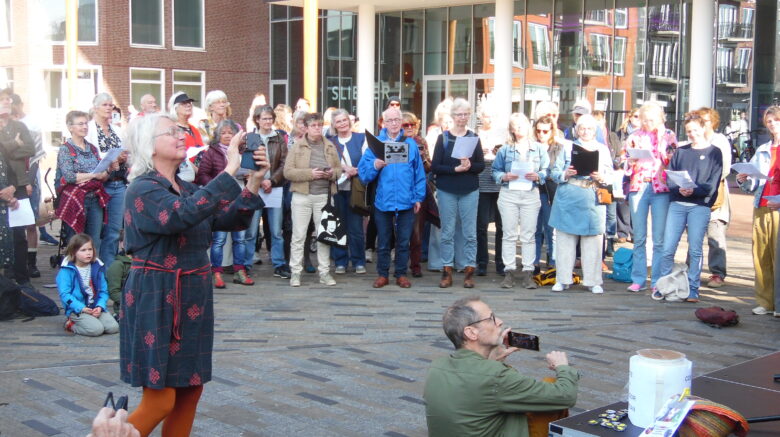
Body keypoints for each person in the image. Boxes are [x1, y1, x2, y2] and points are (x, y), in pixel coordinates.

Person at [120, 112, 267, 436]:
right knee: (159, 401)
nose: (180, 134)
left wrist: (253, 179)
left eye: (180, 129)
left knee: (190, 390)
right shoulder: (142, 189)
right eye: (170, 132)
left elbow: (226, 219)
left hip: (191, 295)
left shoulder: (186, 188)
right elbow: (180, 217)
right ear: (149, 145)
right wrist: (230, 168)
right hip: (157, 294)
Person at [424, 296, 579, 437]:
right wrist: (562, 367)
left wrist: (492, 358)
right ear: (471, 333)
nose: (499, 321)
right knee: (550, 392)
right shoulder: (496, 376)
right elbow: (566, 395)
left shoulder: (437, 367)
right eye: (491, 318)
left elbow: (478, 393)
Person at [656, 112, 723, 303]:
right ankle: (664, 285)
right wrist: (679, 189)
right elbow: (670, 177)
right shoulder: (681, 151)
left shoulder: (714, 152)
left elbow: (713, 183)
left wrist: (693, 191)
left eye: (695, 130)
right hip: (677, 203)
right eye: (688, 131)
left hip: (699, 206)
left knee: (695, 249)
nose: (692, 134)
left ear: (703, 128)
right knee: (668, 247)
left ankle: (693, 288)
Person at [358, 106, 426, 288]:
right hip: (383, 200)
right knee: (384, 241)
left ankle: (401, 274)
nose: (394, 123)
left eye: (397, 120)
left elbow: (419, 173)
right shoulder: (375, 144)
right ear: (383, 123)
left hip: (406, 200)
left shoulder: (410, 143)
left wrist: (418, 197)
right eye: (390, 120)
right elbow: (363, 174)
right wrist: (375, 165)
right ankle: (382, 274)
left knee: (404, 240)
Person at [549, 114, 613, 294]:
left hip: (592, 195)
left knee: (593, 240)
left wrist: (602, 177)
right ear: (576, 129)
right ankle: (562, 279)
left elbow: (610, 174)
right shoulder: (566, 146)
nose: (585, 131)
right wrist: (565, 173)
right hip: (569, 194)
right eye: (582, 128)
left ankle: (593, 281)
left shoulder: (603, 149)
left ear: (595, 131)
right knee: (565, 240)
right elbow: (554, 172)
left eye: (590, 128)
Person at [283, 112, 342, 287]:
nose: (317, 128)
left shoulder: (330, 146)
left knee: (324, 236)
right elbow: (288, 172)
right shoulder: (297, 146)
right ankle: (295, 272)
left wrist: (332, 173)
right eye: (313, 125)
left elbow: (339, 170)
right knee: (298, 235)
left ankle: (324, 272)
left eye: (319, 125)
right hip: (302, 196)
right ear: (306, 128)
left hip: (324, 195)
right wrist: (310, 174)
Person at [431, 98, 485, 288]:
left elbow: (481, 165)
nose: (462, 118)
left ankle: (469, 270)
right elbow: (435, 166)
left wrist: (469, 166)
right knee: (447, 231)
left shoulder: (473, 137)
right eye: (459, 114)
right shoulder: (443, 138)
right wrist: (455, 169)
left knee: (470, 232)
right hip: (447, 190)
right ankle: (447, 269)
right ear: (452, 116)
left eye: (465, 114)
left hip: (469, 189)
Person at [623, 102, 676, 292]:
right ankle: (638, 278)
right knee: (639, 236)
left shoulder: (668, 135)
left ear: (660, 119)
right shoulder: (634, 136)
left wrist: (662, 142)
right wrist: (630, 161)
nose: (647, 123)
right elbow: (624, 160)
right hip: (639, 185)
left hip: (660, 186)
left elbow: (672, 160)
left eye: (651, 119)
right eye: (644, 120)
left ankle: (657, 280)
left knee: (659, 237)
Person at [493, 113, 549, 289]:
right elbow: (495, 171)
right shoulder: (505, 149)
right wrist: (504, 176)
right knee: (509, 234)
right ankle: (509, 271)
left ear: (528, 126)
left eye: (521, 125)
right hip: (509, 193)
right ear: (511, 130)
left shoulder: (539, 148)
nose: (519, 130)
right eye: (515, 127)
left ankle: (527, 272)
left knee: (529, 234)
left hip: (530, 193)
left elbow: (547, 170)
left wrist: (538, 176)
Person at [195, 119, 253, 287]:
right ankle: (217, 272)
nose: (227, 136)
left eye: (230, 133)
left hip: (240, 195)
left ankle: (240, 270)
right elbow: (203, 175)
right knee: (219, 239)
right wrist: (217, 183)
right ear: (217, 136)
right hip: (220, 199)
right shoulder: (212, 152)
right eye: (224, 133)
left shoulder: (244, 151)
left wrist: (249, 174)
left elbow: (252, 170)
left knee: (240, 238)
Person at [737, 105, 780, 316]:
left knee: (778, 257)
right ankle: (765, 301)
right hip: (762, 205)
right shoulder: (763, 150)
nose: (773, 124)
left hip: (779, 208)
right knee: (761, 254)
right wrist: (744, 179)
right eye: (770, 121)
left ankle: (779, 304)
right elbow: (753, 182)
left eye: (776, 120)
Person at [244, 105, 289, 279]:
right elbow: (247, 162)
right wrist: (259, 180)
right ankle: (246, 263)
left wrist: (272, 180)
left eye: (270, 118)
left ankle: (279, 263)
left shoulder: (278, 138)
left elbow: (284, 163)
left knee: (276, 230)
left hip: (274, 187)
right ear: (257, 120)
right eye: (264, 118)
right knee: (252, 229)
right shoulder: (251, 137)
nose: (268, 122)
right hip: (256, 188)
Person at [56, 110, 110, 248]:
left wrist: (106, 172)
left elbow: (102, 173)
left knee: (94, 241)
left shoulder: (92, 148)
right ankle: (74, 270)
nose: (85, 127)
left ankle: (92, 270)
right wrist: (94, 175)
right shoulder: (65, 149)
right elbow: (70, 176)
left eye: (86, 123)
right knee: (76, 241)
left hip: (95, 199)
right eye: (80, 124)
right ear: (70, 127)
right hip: (75, 200)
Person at [87, 92, 128, 268]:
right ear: (95, 107)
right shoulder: (88, 129)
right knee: (95, 232)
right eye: (105, 105)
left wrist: (124, 156)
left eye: (111, 105)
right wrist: (113, 159)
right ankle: (92, 270)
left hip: (119, 183)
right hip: (99, 185)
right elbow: (91, 156)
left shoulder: (117, 130)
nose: (109, 108)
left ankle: (108, 270)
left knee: (114, 231)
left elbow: (126, 150)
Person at [0, 88, 35, 287]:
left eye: (8, 99)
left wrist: (8, 145)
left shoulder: (19, 125)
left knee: (19, 234)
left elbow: (29, 149)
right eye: (2, 99)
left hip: (18, 185)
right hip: (1, 185)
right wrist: (14, 144)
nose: (6, 102)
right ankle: (6, 277)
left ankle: (23, 278)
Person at [695, 107, 732, 289]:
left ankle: (717, 272)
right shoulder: (693, 139)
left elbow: (724, 168)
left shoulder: (720, 140)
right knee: (695, 235)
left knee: (715, 233)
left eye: (707, 120)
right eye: (700, 120)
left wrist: (707, 180)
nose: (703, 124)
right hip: (695, 193)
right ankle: (691, 270)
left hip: (715, 192)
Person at [11, 93, 47, 276]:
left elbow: (35, 157)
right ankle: (14, 261)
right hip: (10, 179)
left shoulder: (31, 123)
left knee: (30, 221)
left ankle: (31, 262)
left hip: (28, 176)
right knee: (12, 222)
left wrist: (29, 180)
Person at [328, 109, 367, 275]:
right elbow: (327, 163)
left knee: (356, 227)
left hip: (355, 188)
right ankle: (340, 261)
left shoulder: (361, 138)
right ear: (334, 125)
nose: (342, 123)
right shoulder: (329, 142)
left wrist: (355, 170)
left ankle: (358, 260)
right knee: (338, 225)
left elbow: (367, 160)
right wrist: (344, 168)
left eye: (344, 120)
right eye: (339, 121)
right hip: (337, 189)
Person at [56, 233, 118, 336]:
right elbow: (65, 295)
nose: (88, 253)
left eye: (90, 249)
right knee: (96, 330)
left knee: (113, 328)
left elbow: (103, 291)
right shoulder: (66, 270)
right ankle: (70, 324)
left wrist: (100, 306)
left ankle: (94, 318)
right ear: (73, 252)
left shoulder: (97, 266)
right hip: (77, 309)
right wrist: (81, 308)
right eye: (83, 250)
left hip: (94, 306)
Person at [403, 111, 437, 278]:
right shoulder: (397, 142)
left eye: (412, 125)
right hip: (400, 190)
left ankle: (415, 265)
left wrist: (423, 158)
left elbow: (429, 167)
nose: (409, 128)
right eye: (406, 125)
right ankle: (400, 264)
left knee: (417, 231)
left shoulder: (421, 142)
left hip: (418, 190)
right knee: (400, 231)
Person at [533, 115, 565, 274]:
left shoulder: (558, 148)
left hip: (550, 192)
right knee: (534, 229)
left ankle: (552, 261)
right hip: (533, 191)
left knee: (550, 229)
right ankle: (534, 262)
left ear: (552, 131)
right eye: (538, 131)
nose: (541, 134)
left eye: (545, 131)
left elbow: (557, 172)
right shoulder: (531, 146)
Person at [476, 106, 504, 277]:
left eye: (492, 116)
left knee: (502, 226)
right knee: (481, 225)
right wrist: (479, 153)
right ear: (481, 117)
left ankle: (500, 262)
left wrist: (500, 152)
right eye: (487, 115)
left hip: (500, 184)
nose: (490, 119)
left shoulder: (503, 135)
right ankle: (482, 262)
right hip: (481, 181)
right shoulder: (474, 134)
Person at [615, 108, 641, 243]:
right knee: (623, 203)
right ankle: (622, 232)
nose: (638, 119)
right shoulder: (621, 133)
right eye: (635, 116)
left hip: (638, 172)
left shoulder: (644, 135)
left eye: (640, 116)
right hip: (624, 169)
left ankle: (634, 232)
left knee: (635, 204)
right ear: (630, 117)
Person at [167, 92, 205, 183]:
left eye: (190, 103)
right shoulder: (173, 129)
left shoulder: (194, 128)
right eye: (184, 103)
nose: (188, 105)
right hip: (184, 177)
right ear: (175, 108)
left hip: (201, 175)